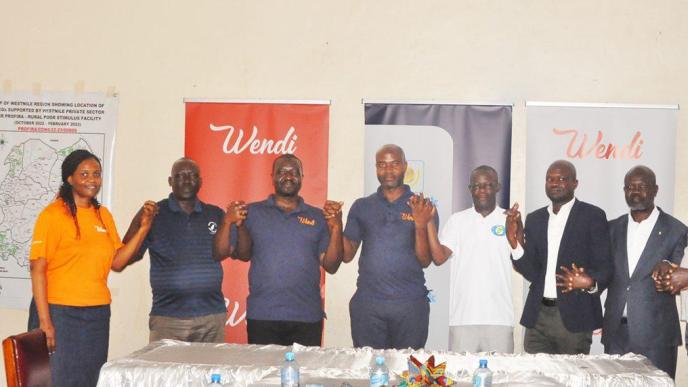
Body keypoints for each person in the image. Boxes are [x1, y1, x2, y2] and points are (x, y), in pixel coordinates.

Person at [28, 149, 157, 387]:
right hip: (60, 312)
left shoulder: (102, 215)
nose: (92, 179)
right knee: (59, 380)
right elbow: (37, 269)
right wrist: (45, 324)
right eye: (84, 174)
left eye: (96, 174)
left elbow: (117, 262)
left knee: (90, 379)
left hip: (97, 314)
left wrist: (143, 229)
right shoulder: (53, 214)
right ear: (70, 178)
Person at [213, 153, 344, 346]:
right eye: (282, 171)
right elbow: (234, 253)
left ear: (302, 178)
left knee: (304, 376)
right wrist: (230, 221)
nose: (288, 176)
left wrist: (336, 228)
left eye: (294, 172)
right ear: (272, 176)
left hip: (307, 315)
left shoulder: (318, 217)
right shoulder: (251, 212)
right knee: (265, 376)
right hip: (264, 315)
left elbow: (331, 266)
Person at [505, 159, 612, 355]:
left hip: (574, 317)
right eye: (550, 179)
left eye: (562, 178)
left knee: (569, 379)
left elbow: (605, 265)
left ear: (575, 183)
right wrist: (515, 244)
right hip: (537, 316)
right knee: (536, 379)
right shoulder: (535, 218)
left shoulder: (592, 215)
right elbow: (532, 271)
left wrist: (590, 282)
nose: (555, 183)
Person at [121, 158, 228, 343]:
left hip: (211, 316)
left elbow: (231, 252)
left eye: (192, 176)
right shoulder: (155, 213)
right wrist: (140, 220)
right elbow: (129, 256)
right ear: (170, 182)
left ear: (200, 181)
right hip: (168, 319)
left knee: (209, 372)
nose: (186, 181)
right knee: (165, 372)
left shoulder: (216, 214)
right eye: (180, 176)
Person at [343, 144, 436, 350]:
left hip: (410, 305)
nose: (388, 170)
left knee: (406, 375)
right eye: (382, 165)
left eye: (394, 164)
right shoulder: (361, 206)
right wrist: (333, 223)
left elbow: (425, 261)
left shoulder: (423, 206)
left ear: (404, 166)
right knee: (370, 373)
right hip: (368, 305)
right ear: (376, 168)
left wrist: (420, 225)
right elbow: (347, 254)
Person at [601, 166, 687, 379]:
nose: (635, 191)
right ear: (624, 190)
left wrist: (668, 266)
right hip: (615, 333)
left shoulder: (676, 230)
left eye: (642, 186)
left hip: (657, 336)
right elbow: (603, 273)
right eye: (630, 187)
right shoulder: (611, 228)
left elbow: (677, 273)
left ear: (655, 190)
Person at [427, 165, 515, 353]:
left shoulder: (509, 220)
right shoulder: (457, 221)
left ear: (498, 187)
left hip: (499, 319)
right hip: (463, 319)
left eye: (487, 185)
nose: (481, 191)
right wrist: (428, 222)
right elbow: (439, 257)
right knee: (462, 379)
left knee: (501, 379)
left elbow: (522, 259)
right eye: (476, 186)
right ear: (469, 189)